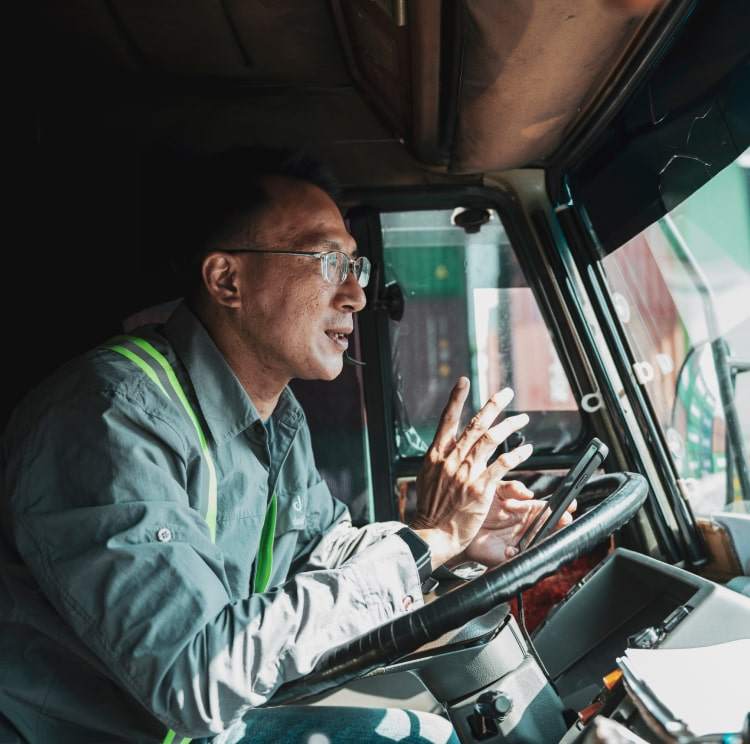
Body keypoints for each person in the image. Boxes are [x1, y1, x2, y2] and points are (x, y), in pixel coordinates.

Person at [0, 149, 570, 744]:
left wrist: (450, 539)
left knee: (425, 735)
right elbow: (197, 676)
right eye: (327, 261)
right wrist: (427, 544)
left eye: (357, 266)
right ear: (227, 280)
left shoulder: (277, 416)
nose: (355, 294)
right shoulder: (109, 415)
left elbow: (317, 554)